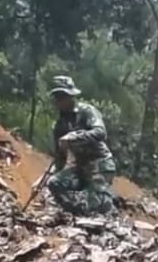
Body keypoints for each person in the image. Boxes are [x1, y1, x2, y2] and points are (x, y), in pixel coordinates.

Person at [44, 76, 117, 216]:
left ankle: (105, 200)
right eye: (57, 97)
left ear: (71, 96)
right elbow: (59, 160)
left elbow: (101, 132)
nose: (59, 100)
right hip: (81, 169)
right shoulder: (60, 126)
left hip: (100, 165)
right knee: (54, 183)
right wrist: (45, 178)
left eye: (63, 96)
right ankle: (75, 213)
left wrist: (74, 137)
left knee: (98, 207)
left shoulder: (87, 111)